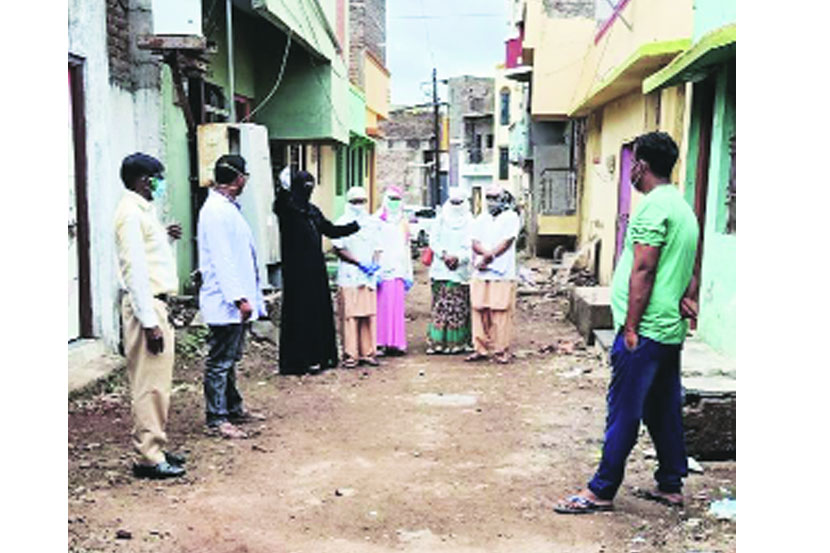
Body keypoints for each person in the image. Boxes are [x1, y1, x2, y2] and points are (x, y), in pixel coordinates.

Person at [555, 132, 699, 514]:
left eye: (633, 163)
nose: (631, 170)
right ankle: (670, 483)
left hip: (646, 329)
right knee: (662, 407)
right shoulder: (682, 207)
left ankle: (601, 490)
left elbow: (644, 269)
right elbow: (689, 263)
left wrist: (631, 327)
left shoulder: (653, 208)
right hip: (668, 328)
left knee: (624, 409)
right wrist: (688, 295)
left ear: (641, 166)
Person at [114, 152, 186, 479]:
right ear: (144, 180)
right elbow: (134, 272)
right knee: (149, 386)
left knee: (159, 384)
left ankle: (154, 444)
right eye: (158, 179)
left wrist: (165, 237)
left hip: (156, 304)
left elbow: (150, 256)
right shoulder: (130, 214)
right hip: (147, 306)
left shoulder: (144, 211)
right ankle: (148, 456)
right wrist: (149, 322)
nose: (161, 184)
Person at [197, 154, 267, 440]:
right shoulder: (215, 211)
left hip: (236, 299)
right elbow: (222, 259)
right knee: (220, 361)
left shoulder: (227, 208)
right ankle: (217, 417)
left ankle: (233, 407)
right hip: (226, 300)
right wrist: (239, 298)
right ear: (239, 179)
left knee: (230, 358)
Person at [273, 169, 360, 374]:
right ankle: (299, 360)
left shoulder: (312, 211)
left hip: (315, 270)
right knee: (299, 313)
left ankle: (319, 356)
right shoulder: (287, 209)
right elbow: (280, 202)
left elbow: (330, 230)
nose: (308, 191)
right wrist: (284, 188)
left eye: (310, 186)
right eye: (304, 186)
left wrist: (355, 226)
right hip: (296, 272)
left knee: (317, 311)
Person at [465, 183, 521, 364]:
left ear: (503, 198)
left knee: (500, 311)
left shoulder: (511, 217)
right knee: (478, 310)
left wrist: (491, 256)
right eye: (488, 198)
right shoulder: (481, 219)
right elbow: (474, 242)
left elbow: (507, 242)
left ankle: (500, 350)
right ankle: (480, 348)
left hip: (502, 273)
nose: (491, 202)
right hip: (481, 271)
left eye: (495, 198)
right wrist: (484, 255)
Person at [332, 187, 382, 368]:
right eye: (355, 202)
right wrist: (358, 262)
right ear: (348, 202)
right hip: (350, 275)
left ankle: (368, 353)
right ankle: (350, 354)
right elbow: (338, 248)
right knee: (350, 316)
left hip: (367, 277)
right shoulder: (342, 223)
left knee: (368, 316)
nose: (358, 205)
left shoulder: (372, 223)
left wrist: (374, 265)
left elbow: (378, 247)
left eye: (361, 201)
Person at [426, 186, 474, 355]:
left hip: (460, 271)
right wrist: (444, 255)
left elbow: (472, 245)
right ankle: (438, 342)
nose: (455, 206)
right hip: (441, 269)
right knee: (440, 307)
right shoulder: (441, 219)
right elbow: (434, 240)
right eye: (453, 202)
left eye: (459, 202)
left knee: (458, 308)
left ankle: (457, 342)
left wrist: (458, 258)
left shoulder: (470, 221)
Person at [374, 186, 414, 356]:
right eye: (391, 199)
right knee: (381, 308)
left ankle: (396, 343)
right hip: (382, 270)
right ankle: (380, 342)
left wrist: (408, 272)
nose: (394, 203)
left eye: (397, 199)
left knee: (396, 309)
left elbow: (406, 247)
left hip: (398, 270)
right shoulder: (377, 220)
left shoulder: (403, 221)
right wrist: (375, 268)